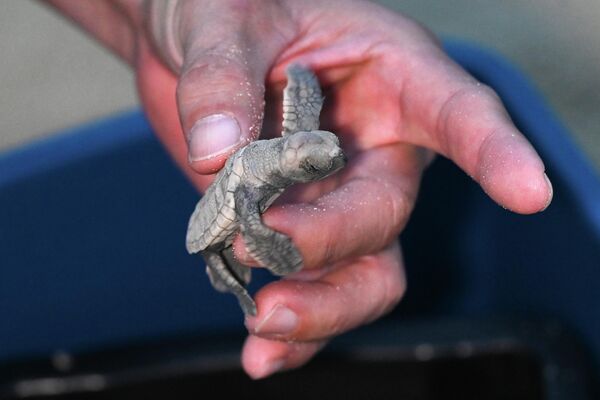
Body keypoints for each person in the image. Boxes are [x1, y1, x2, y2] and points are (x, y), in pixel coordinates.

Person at [45, 0, 553, 379]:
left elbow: (302, 107)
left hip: (249, 192)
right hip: (211, 222)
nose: (327, 157)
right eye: (317, 159)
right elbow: (248, 208)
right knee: (231, 259)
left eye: (324, 150)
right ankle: (235, 286)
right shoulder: (254, 172)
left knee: (278, 239)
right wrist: (274, 250)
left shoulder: (288, 147)